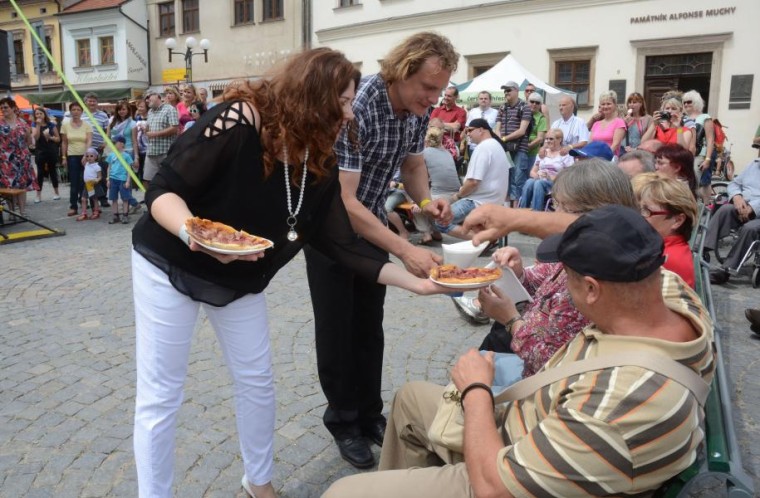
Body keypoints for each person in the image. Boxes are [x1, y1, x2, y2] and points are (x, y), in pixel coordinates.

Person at [130, 48, 450, 498]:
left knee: (257, 381)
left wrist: (414, 281)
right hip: (170, 260)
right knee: (162, 394)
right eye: (340, 101)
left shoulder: (320, 156)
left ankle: (259, 484)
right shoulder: (240, 119)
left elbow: (340, 245)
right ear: (308, 95)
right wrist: (193, 233)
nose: (347, 112)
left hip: (240, 275)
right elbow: (163, 189)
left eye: (349, 101)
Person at [323, 204, 714, 498]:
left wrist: (476, 390)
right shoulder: (668, 293)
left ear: (592, 289)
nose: (563, 288)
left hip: (508, 472)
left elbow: (495, 487)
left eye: (569, 282)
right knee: (410, 400)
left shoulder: (617, 404)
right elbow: (613, 231)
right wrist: (510, 217)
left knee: (341, 493)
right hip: (530, 432)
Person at [303, 32, 458, 470]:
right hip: (330, 230)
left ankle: (370, 414)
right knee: (337, 330)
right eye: (428, 88)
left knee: (369, 327)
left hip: (369, 228)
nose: (433, 98)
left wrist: (426, 204)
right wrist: (405, 249)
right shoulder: (363, 103)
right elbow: (345, 202)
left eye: (439, 90)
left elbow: (412, 165)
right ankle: (344, 422)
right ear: (402, 71)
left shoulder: (412, 109)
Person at [474, 160, 635, 374]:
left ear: (589, 214)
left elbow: (548, 361)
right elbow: (548, 277)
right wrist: (519, 271)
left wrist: (510, 319)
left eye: (559, 206)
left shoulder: (593, 281)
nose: (552, 213)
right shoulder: (585, 252)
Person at [435, 118, 510, 239]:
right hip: (495, 200)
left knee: (440, 221)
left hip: (478, 201)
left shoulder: (483, 148)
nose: (468, 134)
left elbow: (473, 182)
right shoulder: (496, 145)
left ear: (481, 130)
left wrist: (458, 196)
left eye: (470, 130)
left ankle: (483, 238)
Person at [633, 172, 697, 288]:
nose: (640, 215)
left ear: (677, 220)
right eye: (640, 208)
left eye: (647, 211)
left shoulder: (665, 260)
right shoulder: (665, 248)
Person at [705, 158, 760, 285]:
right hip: (743, 205)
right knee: (725, 209)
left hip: (756, 212)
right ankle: (703, 249)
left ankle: (727, 269)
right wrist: (736, 196)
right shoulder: (753, 164)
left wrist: (752, 208)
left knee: (750, 228)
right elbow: (734, 184)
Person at [414, 126, 460, 244]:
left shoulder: (425, 152)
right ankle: (436, 233)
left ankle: (425, 234)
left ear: (427, 140)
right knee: (428, 198)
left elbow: (421, 176)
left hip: (441, 196)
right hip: (456, 195)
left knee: (416, 207)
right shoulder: (447, 153)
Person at [495, 80, 533, 204]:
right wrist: (500, 139)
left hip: (519, 149)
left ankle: (518, 211)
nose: (506, 92)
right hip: (505, 149)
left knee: (518, 179)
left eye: (509, 90)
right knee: (505, 179)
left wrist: (504, 139)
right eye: (505, 90)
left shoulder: (525, 107)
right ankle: (507, 209)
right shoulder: (502, 107)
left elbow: (522, 131)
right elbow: (497, 128)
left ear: (516, 91)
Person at [519, 128, 572, 211]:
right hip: (540, 180)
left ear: (559, 139)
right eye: (546, 139)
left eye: (551, 139)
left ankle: (537, 212)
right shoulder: (542, 153)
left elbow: (568, 176)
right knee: (529, 181)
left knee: (539, 183)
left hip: (555, 184)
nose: (548, 141)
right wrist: (538, 175)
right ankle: (522, 211)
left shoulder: (564, 155)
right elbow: (532, 172)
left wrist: (550, 177)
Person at [0, 98, 36, 215]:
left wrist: (28, 145)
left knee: (22, 185)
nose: (3, 109)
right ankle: (12, 212)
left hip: (22, 158)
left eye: (6, 107)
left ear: (13, 108)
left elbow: (28, 140)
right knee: (8, 185)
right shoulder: (0, 123)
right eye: (2, 108)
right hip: (5, 160)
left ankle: (22, 211)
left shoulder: (22, 123)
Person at [60, 102, 93, 216]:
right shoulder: (65, 125)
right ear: (70, 111)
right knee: (74, 181)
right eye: (73, 109)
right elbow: (64, 142)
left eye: (78, 110)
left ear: (82, 111)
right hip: (72, 155)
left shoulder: (87, 125)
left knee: (86, 180)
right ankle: (73, 206)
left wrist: (86, 155)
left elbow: (89, 140)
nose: (76, 112)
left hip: (85, 156)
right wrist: (64, 157)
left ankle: (87, 202)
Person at [683, 90, 715, 204]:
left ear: (696, 102)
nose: (686, 104)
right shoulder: (683, 118)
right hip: (686, 155)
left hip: (700, 155)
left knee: (695, 182)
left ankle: (702, 207)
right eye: (684, 102)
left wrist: (707, 159)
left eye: (689, 102)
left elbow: (710, 139)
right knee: (687, 183)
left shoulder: (705, 117)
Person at [143, 90, 179, 188]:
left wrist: (154, 134)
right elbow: (149, 130)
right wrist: (145, 130)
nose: (146, 100)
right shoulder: (150, 111)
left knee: (167, 180)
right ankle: (152, 200)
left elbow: (174, 128)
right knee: (148, 180)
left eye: (148, 97)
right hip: (151, 151)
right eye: (146, 99)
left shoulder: (169, 109)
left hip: (165, 152)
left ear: (157, 96)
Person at [105, 136, 139, 224]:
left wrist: (128, 181)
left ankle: (125, 215)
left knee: (125, 198)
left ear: (121, 144)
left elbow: (129, 169)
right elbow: (109, 167)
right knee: (113, 198)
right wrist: (108, 178)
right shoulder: (111, 155)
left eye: (115, 143)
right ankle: (115, 216)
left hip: (123, 179)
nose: (113, 144)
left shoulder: (126, 156)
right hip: (113, 179)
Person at [31, 107, 61, 203]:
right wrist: (38, 126)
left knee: (53, 171)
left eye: (40, 113)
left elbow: (58, 139)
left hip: (51, 150)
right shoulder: (34, 124)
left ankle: (56, 193)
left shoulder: (51, 125)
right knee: (40, 173)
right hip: (40, 151)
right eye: (37, 114)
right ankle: (38, 195)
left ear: (44, 114)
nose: (39, 115)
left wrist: (50, 137)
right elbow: (36, 137)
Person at [588, 90, 626, 157]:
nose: (605, 106)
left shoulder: (619, 122)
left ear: (615, 105)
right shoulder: (596, 124)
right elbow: (590, 143)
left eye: (608, 104)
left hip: (609, 160)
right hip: (594, 159)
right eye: (603, 104)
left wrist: (603, 156)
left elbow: (615, 145)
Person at [78, 148, 102, 221]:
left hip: (93, 185)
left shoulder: (97, 167)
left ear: (95, 157)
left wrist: (96, 180)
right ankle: (84, 213)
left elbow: (100, 177)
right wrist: (85, 154)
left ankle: (96, 212)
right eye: (87, 156)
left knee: (94, 199)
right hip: (87, 185)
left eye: (91, 156)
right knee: (83, 199)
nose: (89, 158)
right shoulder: (86, 164)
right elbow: (82, 161)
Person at [525, 92, 547, 169]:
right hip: (520, 151)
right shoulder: (522, 114)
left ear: (540, 105)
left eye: (537, 103)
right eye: (532, 101)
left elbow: (540, 138)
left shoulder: (542, 118)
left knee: (529, 175)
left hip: (532, 153)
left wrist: (528, 146)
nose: (534, 104)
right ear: (528, 102)